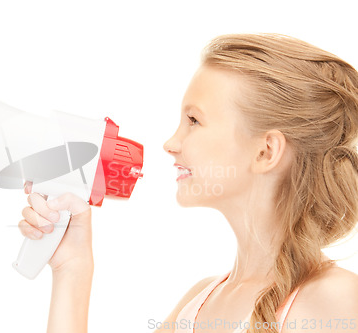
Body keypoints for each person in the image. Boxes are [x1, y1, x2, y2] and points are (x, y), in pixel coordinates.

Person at [18, 33, 358, 333]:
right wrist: (73, 268)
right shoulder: (198, 303)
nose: (170, 143)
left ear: (266, 151)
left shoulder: (336, 300)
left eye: (193, 120)